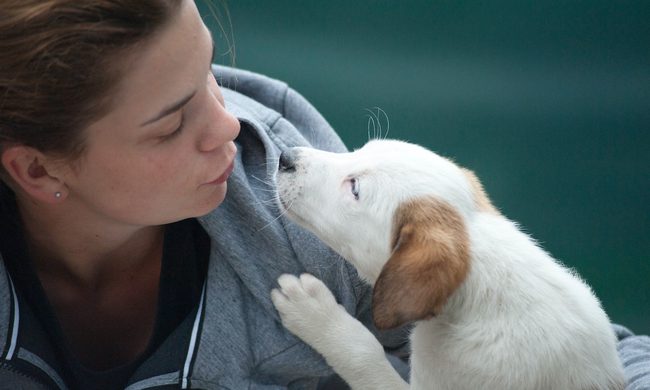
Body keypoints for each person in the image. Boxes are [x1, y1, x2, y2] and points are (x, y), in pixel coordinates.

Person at [0, 1, 647, 389]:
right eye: (172, 123)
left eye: (208, 72)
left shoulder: (311, 237)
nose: (230, 123)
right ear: (35, 171)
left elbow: (594, 359)